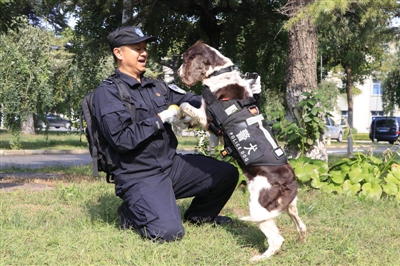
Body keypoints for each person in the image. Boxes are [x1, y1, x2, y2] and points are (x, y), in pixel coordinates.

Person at [92, 26, 239, 242]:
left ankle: (199, 217)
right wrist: (161, 118)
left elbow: (192, 101)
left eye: (145, 48)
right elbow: (122, 139)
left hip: (170, 166)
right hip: (138, 174)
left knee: (226, 174)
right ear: (119, 53)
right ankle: (130, 213)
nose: (144, 53)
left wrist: (226, 98)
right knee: (168, 233)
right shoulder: (108, 93)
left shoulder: (156, 86)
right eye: (136, 48)